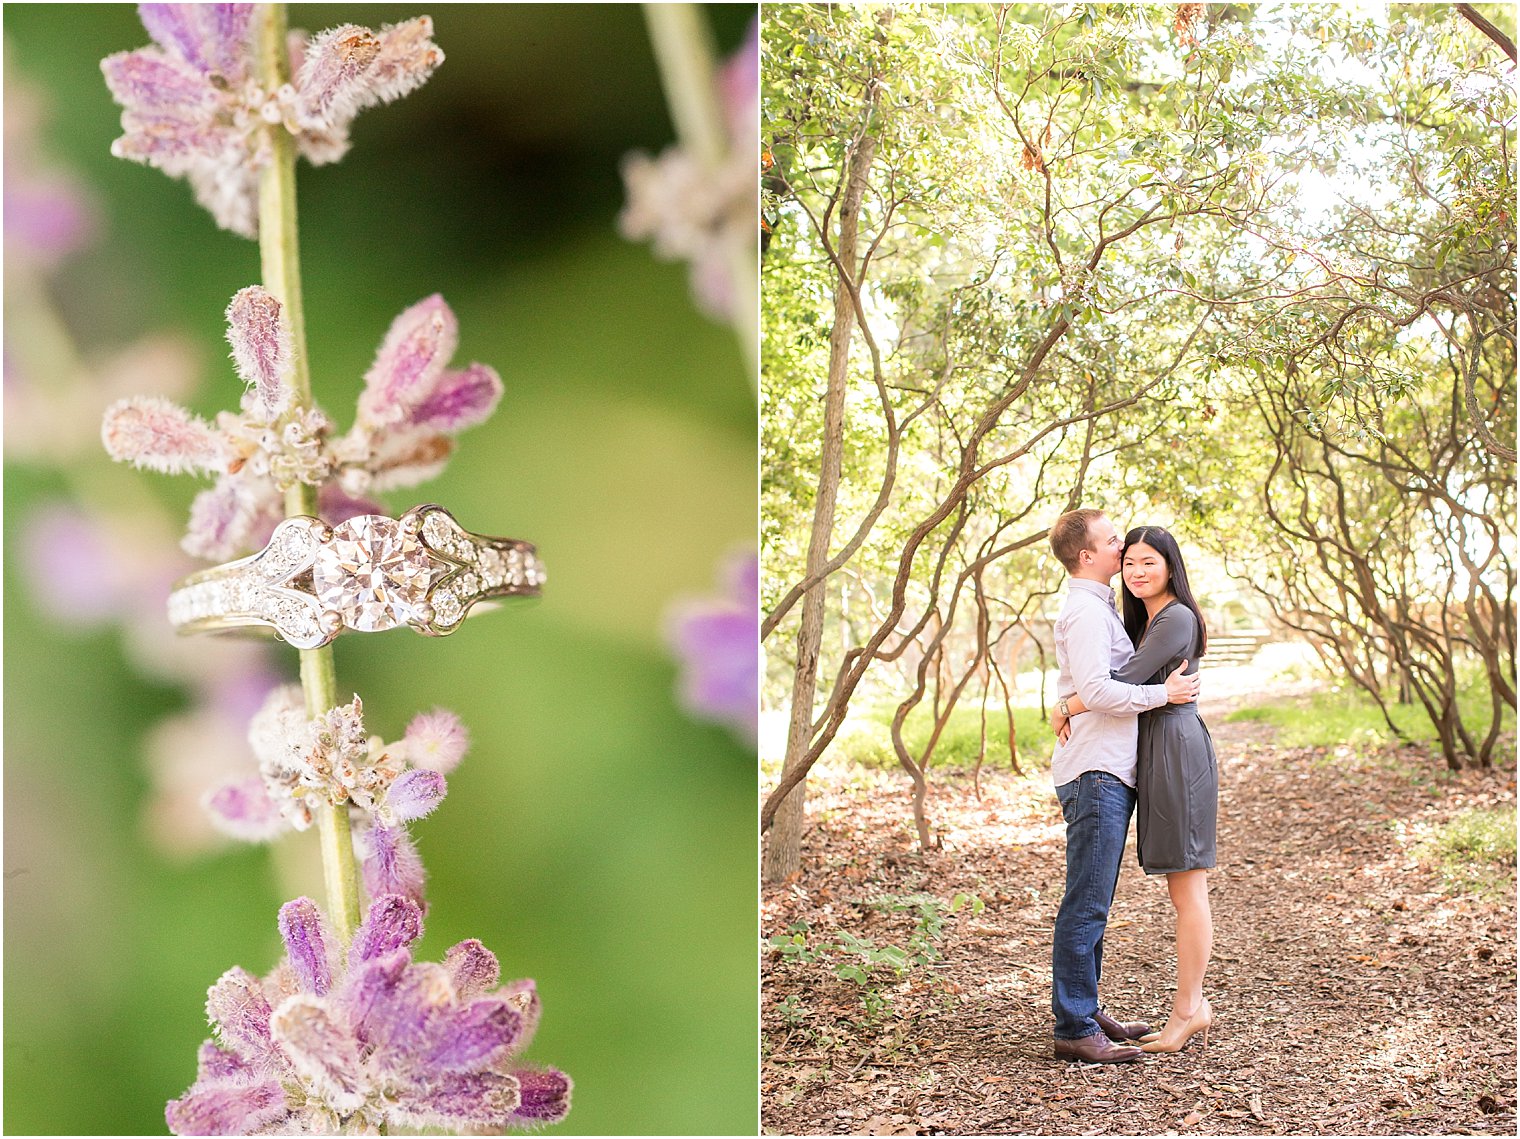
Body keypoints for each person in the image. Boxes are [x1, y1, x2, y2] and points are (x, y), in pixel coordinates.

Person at [1053, 524, 1218, 1054]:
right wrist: (1080, 700)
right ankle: (1082, 1020)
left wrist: (1066, 705)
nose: (1133, 565)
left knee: (1184, 886)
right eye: (1127, 559)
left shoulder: (1174, 618)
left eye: (1148, 560)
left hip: (1173, 753)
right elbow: (1115, 682)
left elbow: (1116, 683)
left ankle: (1187, 1009)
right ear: (1093, 557)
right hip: (1142, 756)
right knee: (1096, 898)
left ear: (1171, 564)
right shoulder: (1114, 615)